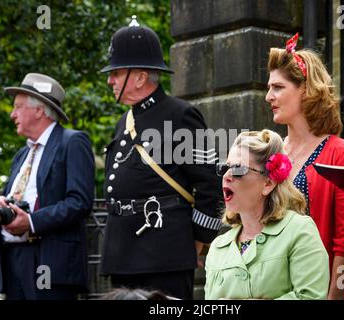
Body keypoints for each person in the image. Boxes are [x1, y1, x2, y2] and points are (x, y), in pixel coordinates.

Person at [99, 17, 222, 300]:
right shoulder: (125, 121)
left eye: (116, 73)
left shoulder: (180, 115)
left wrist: (199, 239)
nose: (110, 80)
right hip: (122, 250)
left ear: (140, 77)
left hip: (165, 252)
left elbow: (210, 182)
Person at [265, 33, 344, 299]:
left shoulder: (341, 153)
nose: (268, 96)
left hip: (314, 289)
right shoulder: (269, 151)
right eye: (269, 87)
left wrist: (335, 297)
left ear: (305, 89)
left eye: (278, 87)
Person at [0, 73, 95, 300]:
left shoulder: (73, 142)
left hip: (48, 262)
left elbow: (80, 202)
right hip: (14, 261)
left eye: (18, 107)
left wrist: (31, 222)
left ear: (39, 110)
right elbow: (9, 193)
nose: (12, 114)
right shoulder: (21, 155)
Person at [204, 130, 329, 300]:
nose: (226, 176)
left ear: (268, 183)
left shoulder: (299, 231)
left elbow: (311, 297)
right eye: (224, 168)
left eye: (238, 169)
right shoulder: (218, 247)